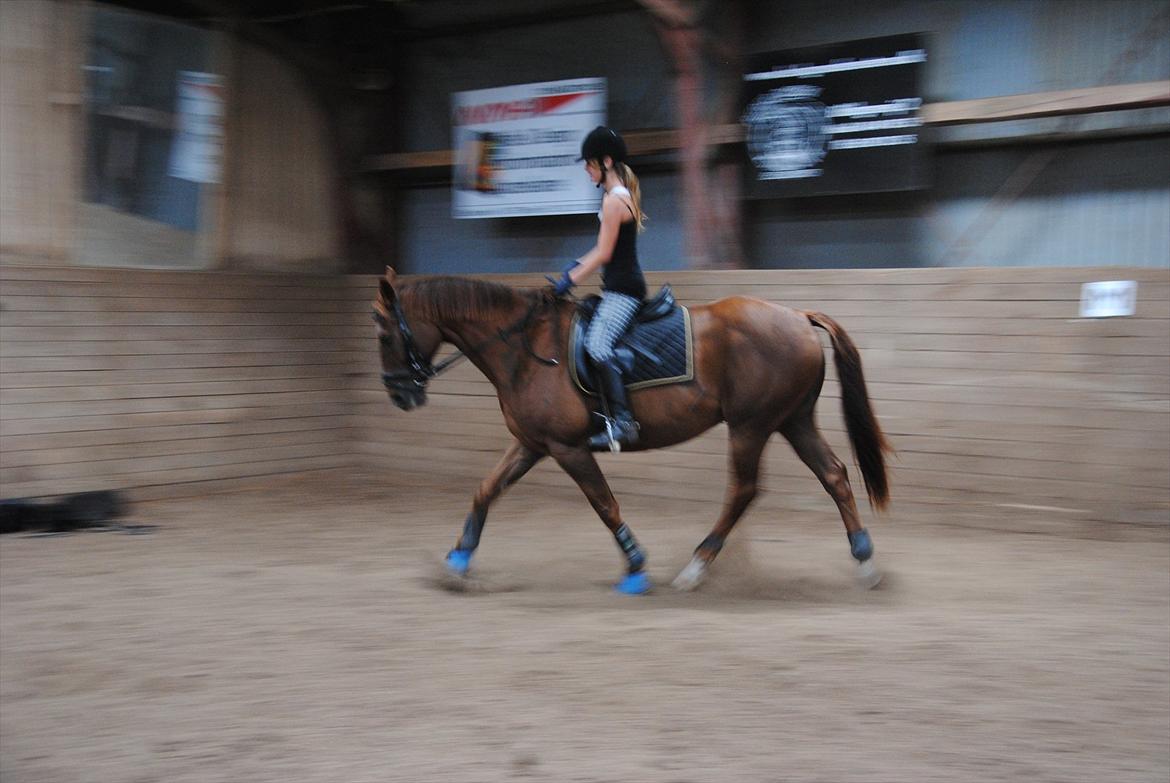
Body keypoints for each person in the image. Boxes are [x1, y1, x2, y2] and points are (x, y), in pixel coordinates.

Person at [549, 126, 647, 450]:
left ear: (606, 162)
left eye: (589, 163)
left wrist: (570, 282)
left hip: (624, 292)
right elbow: (602, 248)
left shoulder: (615, 200)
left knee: (597, 345)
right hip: (618, 287)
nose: (586, 168)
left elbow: (605, 254)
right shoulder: (615, 198)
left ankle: (622, 422)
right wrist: (573, 267)